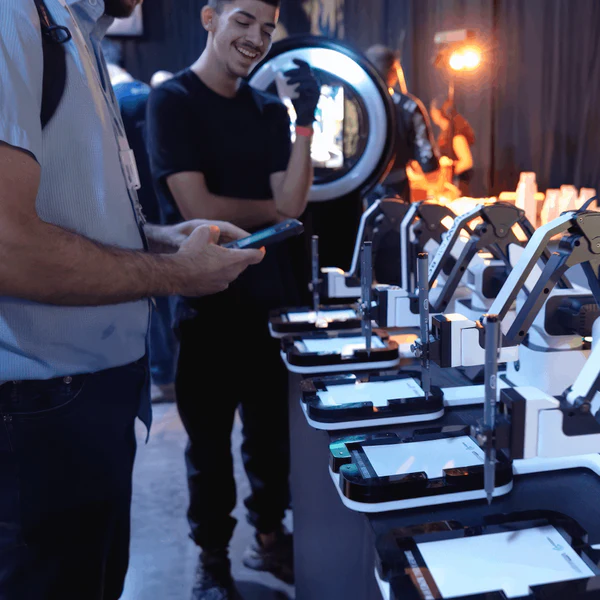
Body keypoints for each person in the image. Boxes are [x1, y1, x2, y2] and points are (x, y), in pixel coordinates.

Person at [0, 1, 265, 598]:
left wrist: (156, 238)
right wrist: (174, 274)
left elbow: (65, 211)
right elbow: (7, 246)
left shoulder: (78, 31)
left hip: (87, 403)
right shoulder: (14, 16)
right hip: (38, 412)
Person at [145, 0, 319, 598]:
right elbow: (200, 212)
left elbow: (295, 201)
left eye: (266, 28)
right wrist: (276, 211)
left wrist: (304, 124)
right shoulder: (173, 102)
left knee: (271, 441)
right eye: (243, 20)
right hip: (207, 305)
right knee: (210, 448)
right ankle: (212, 561)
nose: (255, 37)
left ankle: (269, 538)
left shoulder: (267, 110)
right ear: (209, 18)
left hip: (271, 302)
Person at [103, 40, 178, 402]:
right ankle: (170, 372)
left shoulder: (112, 101)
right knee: (168, 291)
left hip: (133, 211)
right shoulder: (149, 95)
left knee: (149, 295)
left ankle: (163, 375)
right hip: (165, 205)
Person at [365, 44, 440, 202]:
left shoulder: (351, 102)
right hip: (396, 189)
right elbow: (427, 157)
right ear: (394, 72)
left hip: (357, 189)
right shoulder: (409, 106)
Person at [430, 96, 476, 196]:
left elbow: (467, 162)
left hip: (458, 187)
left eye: (432, 110)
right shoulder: (444, 134)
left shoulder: (456, 135)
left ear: (438, 112)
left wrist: (448, 171)